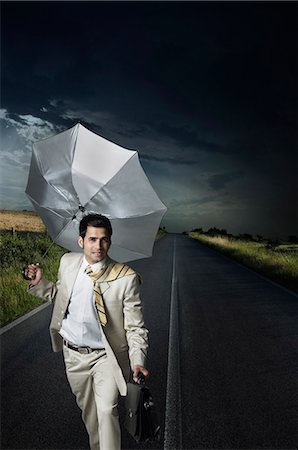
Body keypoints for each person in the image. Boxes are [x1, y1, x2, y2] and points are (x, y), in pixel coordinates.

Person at [25, 213, 149, 450]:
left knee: (106, 410)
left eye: (104, 240)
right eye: (92, 239)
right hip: (73, 356)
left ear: (110, 242)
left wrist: (137, 360)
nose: (98, 246)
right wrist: (39, 282)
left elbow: (135, 327)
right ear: (81, 241)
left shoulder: (125, 277)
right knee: (90, 415)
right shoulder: (68, 262)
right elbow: (60, 298)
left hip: (106, 356)